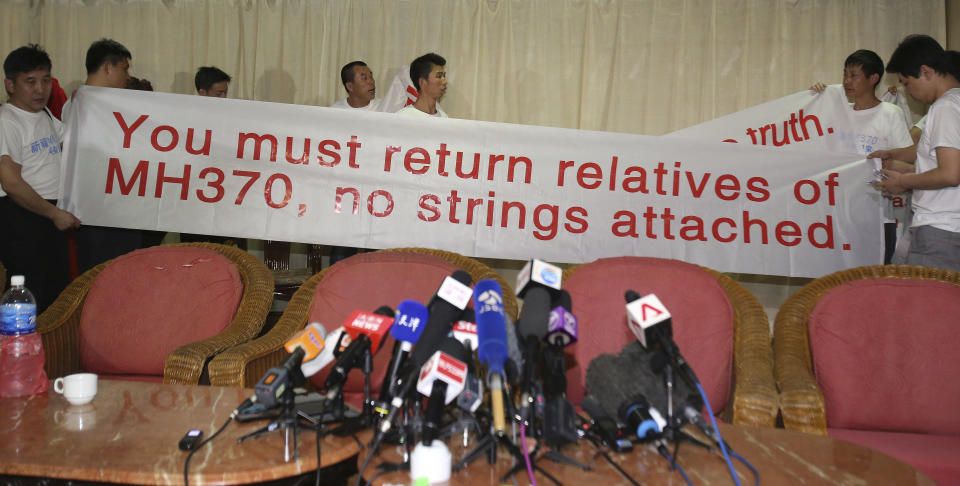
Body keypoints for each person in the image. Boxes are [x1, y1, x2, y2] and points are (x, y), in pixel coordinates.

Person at [811, 50, 914, 263]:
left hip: (875, 215)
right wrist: (814, 100)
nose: (847, 81)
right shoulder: (836, 112)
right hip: (834, 215)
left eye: (854, 75)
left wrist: (884, 164)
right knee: (835, 279)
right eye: (845, 75)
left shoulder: (890, 113)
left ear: (873, 78)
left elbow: (907, 161)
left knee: (872, 282)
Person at [0, 45, 80, 312]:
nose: (40, 89)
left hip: (48, 215)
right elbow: (11, 183)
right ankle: (15, 349)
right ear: (10, 84)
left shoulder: (43, 114)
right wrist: (53, 213)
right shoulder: (7, 121)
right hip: (23, 215)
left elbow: (72, 136)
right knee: (27, 290)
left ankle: (46, 350)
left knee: (53, 290)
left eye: (46, 80)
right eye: (30, 81)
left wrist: (81, 103)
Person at [873, 35, 960, 271]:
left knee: (926, 306)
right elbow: (942, 162)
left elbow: (951, 174)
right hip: (947, 227)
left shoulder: (945, 107)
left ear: (926, 71)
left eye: (907, 82)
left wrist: (904, 180)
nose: (907, 91)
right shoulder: (955, 103)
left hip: (941, 229)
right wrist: (901, 161)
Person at [69, 39, 140, 273]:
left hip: (119, 207)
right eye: (124, 68)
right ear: (108, 67)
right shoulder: (80, 105)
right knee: (99, 278)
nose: (127, 75)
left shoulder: (112, 105)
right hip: (97, 212)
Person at [396, 53, 448, 117]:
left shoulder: (444, 117)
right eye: (439, 76)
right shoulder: (403, 116)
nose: (445, 81)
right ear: (422, 82)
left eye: (444, 76)